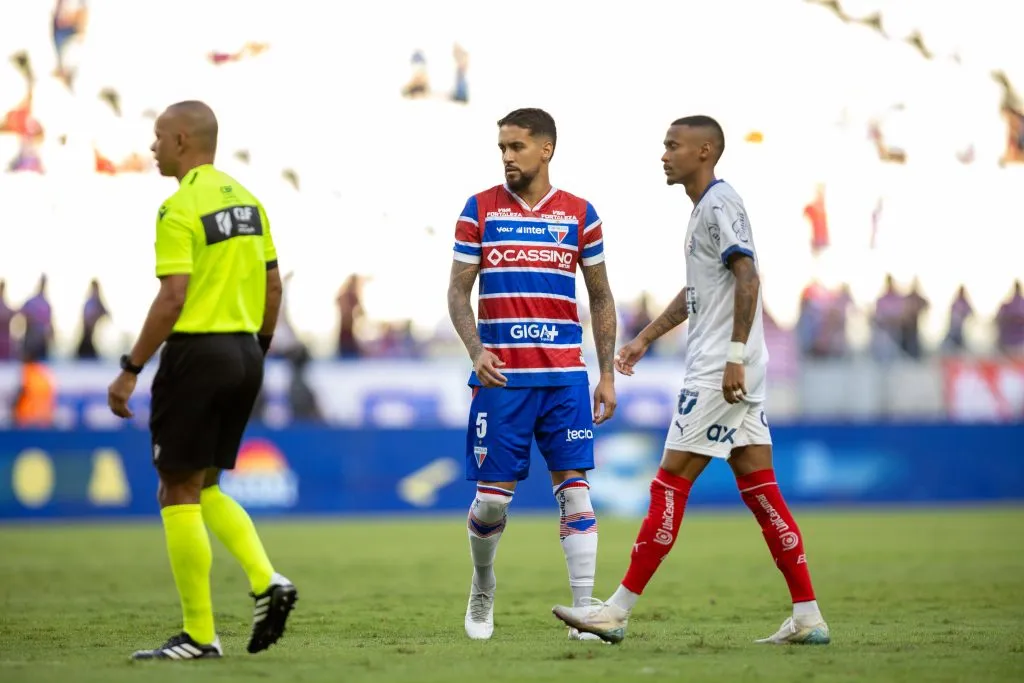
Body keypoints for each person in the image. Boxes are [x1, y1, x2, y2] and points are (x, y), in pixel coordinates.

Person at [552, 115, 830, 645]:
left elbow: (749, 275)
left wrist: (731, 356)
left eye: (672, 145)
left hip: (717, 372)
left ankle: (616, 610)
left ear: (705, 151)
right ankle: (808, 615)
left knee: (669, 483)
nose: (664, 154)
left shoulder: (721, 204)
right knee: (762, 491)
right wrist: (645, 338)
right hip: (735, 369)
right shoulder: (705, 210)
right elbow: (700, 291)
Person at [106, 100, 296, 660]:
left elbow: (173, 298)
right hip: (244, 351)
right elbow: (275, 287)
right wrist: (255, 350)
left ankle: (199, 634)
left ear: (184, 141)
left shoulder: (178, 208)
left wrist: (130, 368)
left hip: (197, 353)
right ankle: (267, 582)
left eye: (159, 138)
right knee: (205, 485)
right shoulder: (250, 204)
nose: (153, 148)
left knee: (176, 490)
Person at [447, 108, 618, 641]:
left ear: (546, 149)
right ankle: (482, 584)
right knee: (493, 500)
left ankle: (585, 611)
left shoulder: (580, 214)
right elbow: (457, 291)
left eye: (516, 146)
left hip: (565, 377)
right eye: (502, 147)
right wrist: (476, 350)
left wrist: (606, 374)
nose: (506, 157)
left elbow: (601, 297)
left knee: (576, 492)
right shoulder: (479, 209)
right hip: (503, 380)